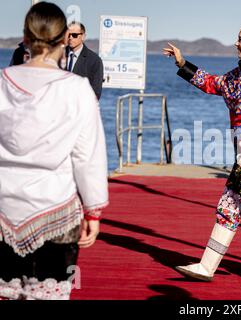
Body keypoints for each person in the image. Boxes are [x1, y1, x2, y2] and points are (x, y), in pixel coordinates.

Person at [163, 23, 241, 281]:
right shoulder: (238, 74)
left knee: (229, 206)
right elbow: (213, 83)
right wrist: (182, 63)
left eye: (240, 39)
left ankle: (207, 266)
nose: (236, 42)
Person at [0, 2, 109, 300]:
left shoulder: (1, 82)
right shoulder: (75, 89)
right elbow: (88, 155)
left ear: (25, 36)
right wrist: (93, 209)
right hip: (55, 210)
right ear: (63, 39)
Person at [66, 21, 104, 100]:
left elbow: (96, 92)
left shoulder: (94, 61)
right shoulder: (58, 55)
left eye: (74, 35)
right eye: (68, 35)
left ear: (83, 36)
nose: (70, 38)